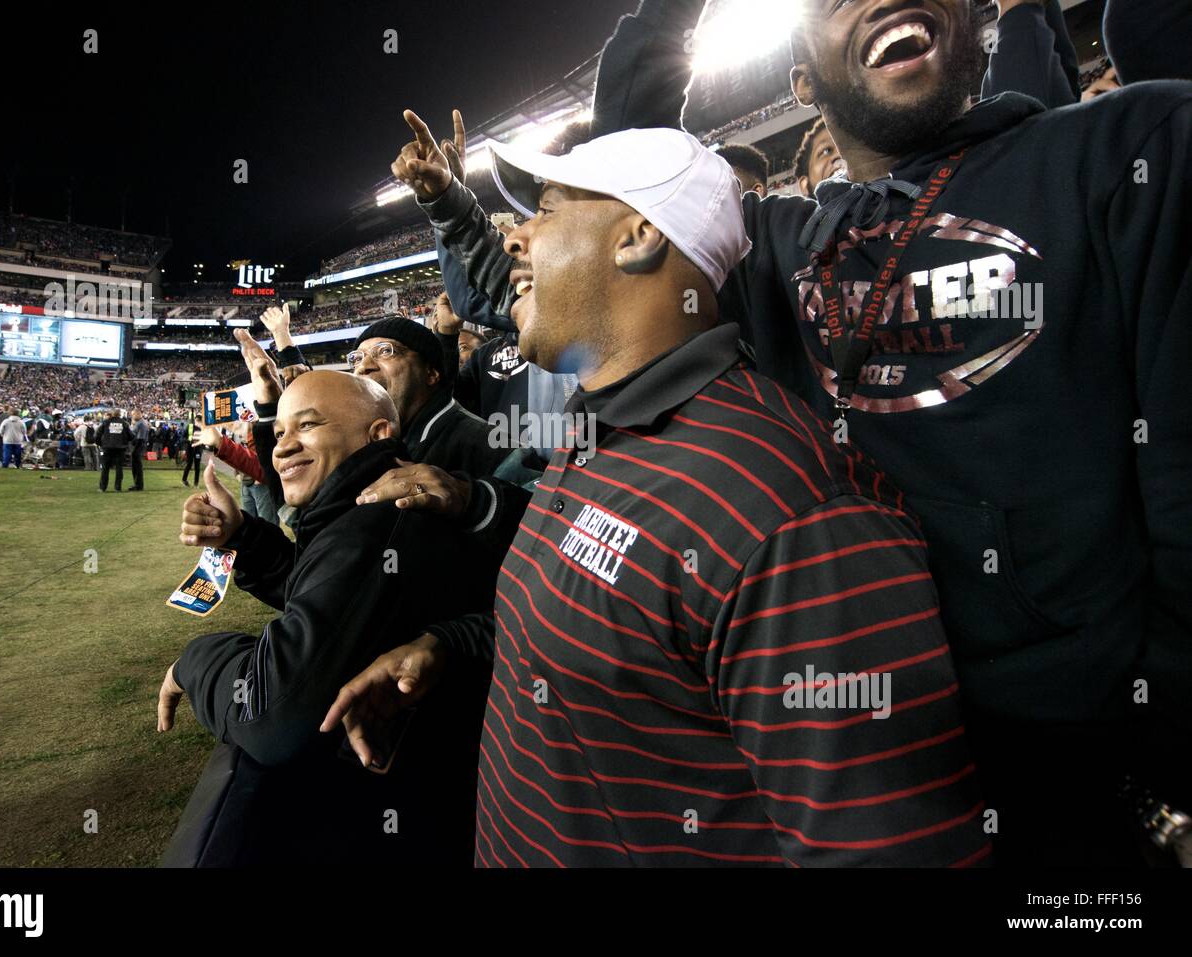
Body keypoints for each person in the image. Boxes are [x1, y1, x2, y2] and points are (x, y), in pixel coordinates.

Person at [421, 0, 1192, 866]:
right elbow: (628, 168)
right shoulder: (779, 246)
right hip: (843, 733)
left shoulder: (1123, 151)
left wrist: (1157, 748)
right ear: (802, 76)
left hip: (1072, 770)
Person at [351, 122, 991, 867]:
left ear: (639, 238)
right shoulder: (602, 427)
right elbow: (616, 639)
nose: (516, 240)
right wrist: (451, 648)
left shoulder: (792, 514)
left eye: (546, 211)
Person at [156, 370, 506, 866]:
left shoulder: (370, 527)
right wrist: (243, 536)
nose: (282, 447)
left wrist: (193, 661)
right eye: (280, 431)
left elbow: (272, 713)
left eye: (308, 425)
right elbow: (332, 599)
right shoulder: (362, 513)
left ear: (378, 434)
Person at [348, 316, 509, 478]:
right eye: (357, 358)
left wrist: (470, 492)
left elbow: (526, 486)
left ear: (431, 373)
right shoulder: (361, 442)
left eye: (385, 351)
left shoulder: (493, 447)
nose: (363, 366)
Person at [96, 408, 132, 492]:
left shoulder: (106, 422)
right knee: (119, 468)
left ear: (112, 414)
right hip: (120, 449)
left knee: (105, 468)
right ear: (120, 414)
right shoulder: (124, 423)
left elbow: (97, 434)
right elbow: (131, 436)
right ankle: (117, 488)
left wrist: (101, 444)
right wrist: (124, 442)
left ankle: (102, 488)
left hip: (107, 448)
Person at [128, 410, 148, 492]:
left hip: (139, 445)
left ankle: (139, 485)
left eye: (133, 415)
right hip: (139, 444)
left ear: (137, 414)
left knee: (137, 466)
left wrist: (135, 447)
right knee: (136, 466)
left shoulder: (141, 423)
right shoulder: (140, 423)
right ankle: (137, 484)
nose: (132, 416)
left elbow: (140, 438)